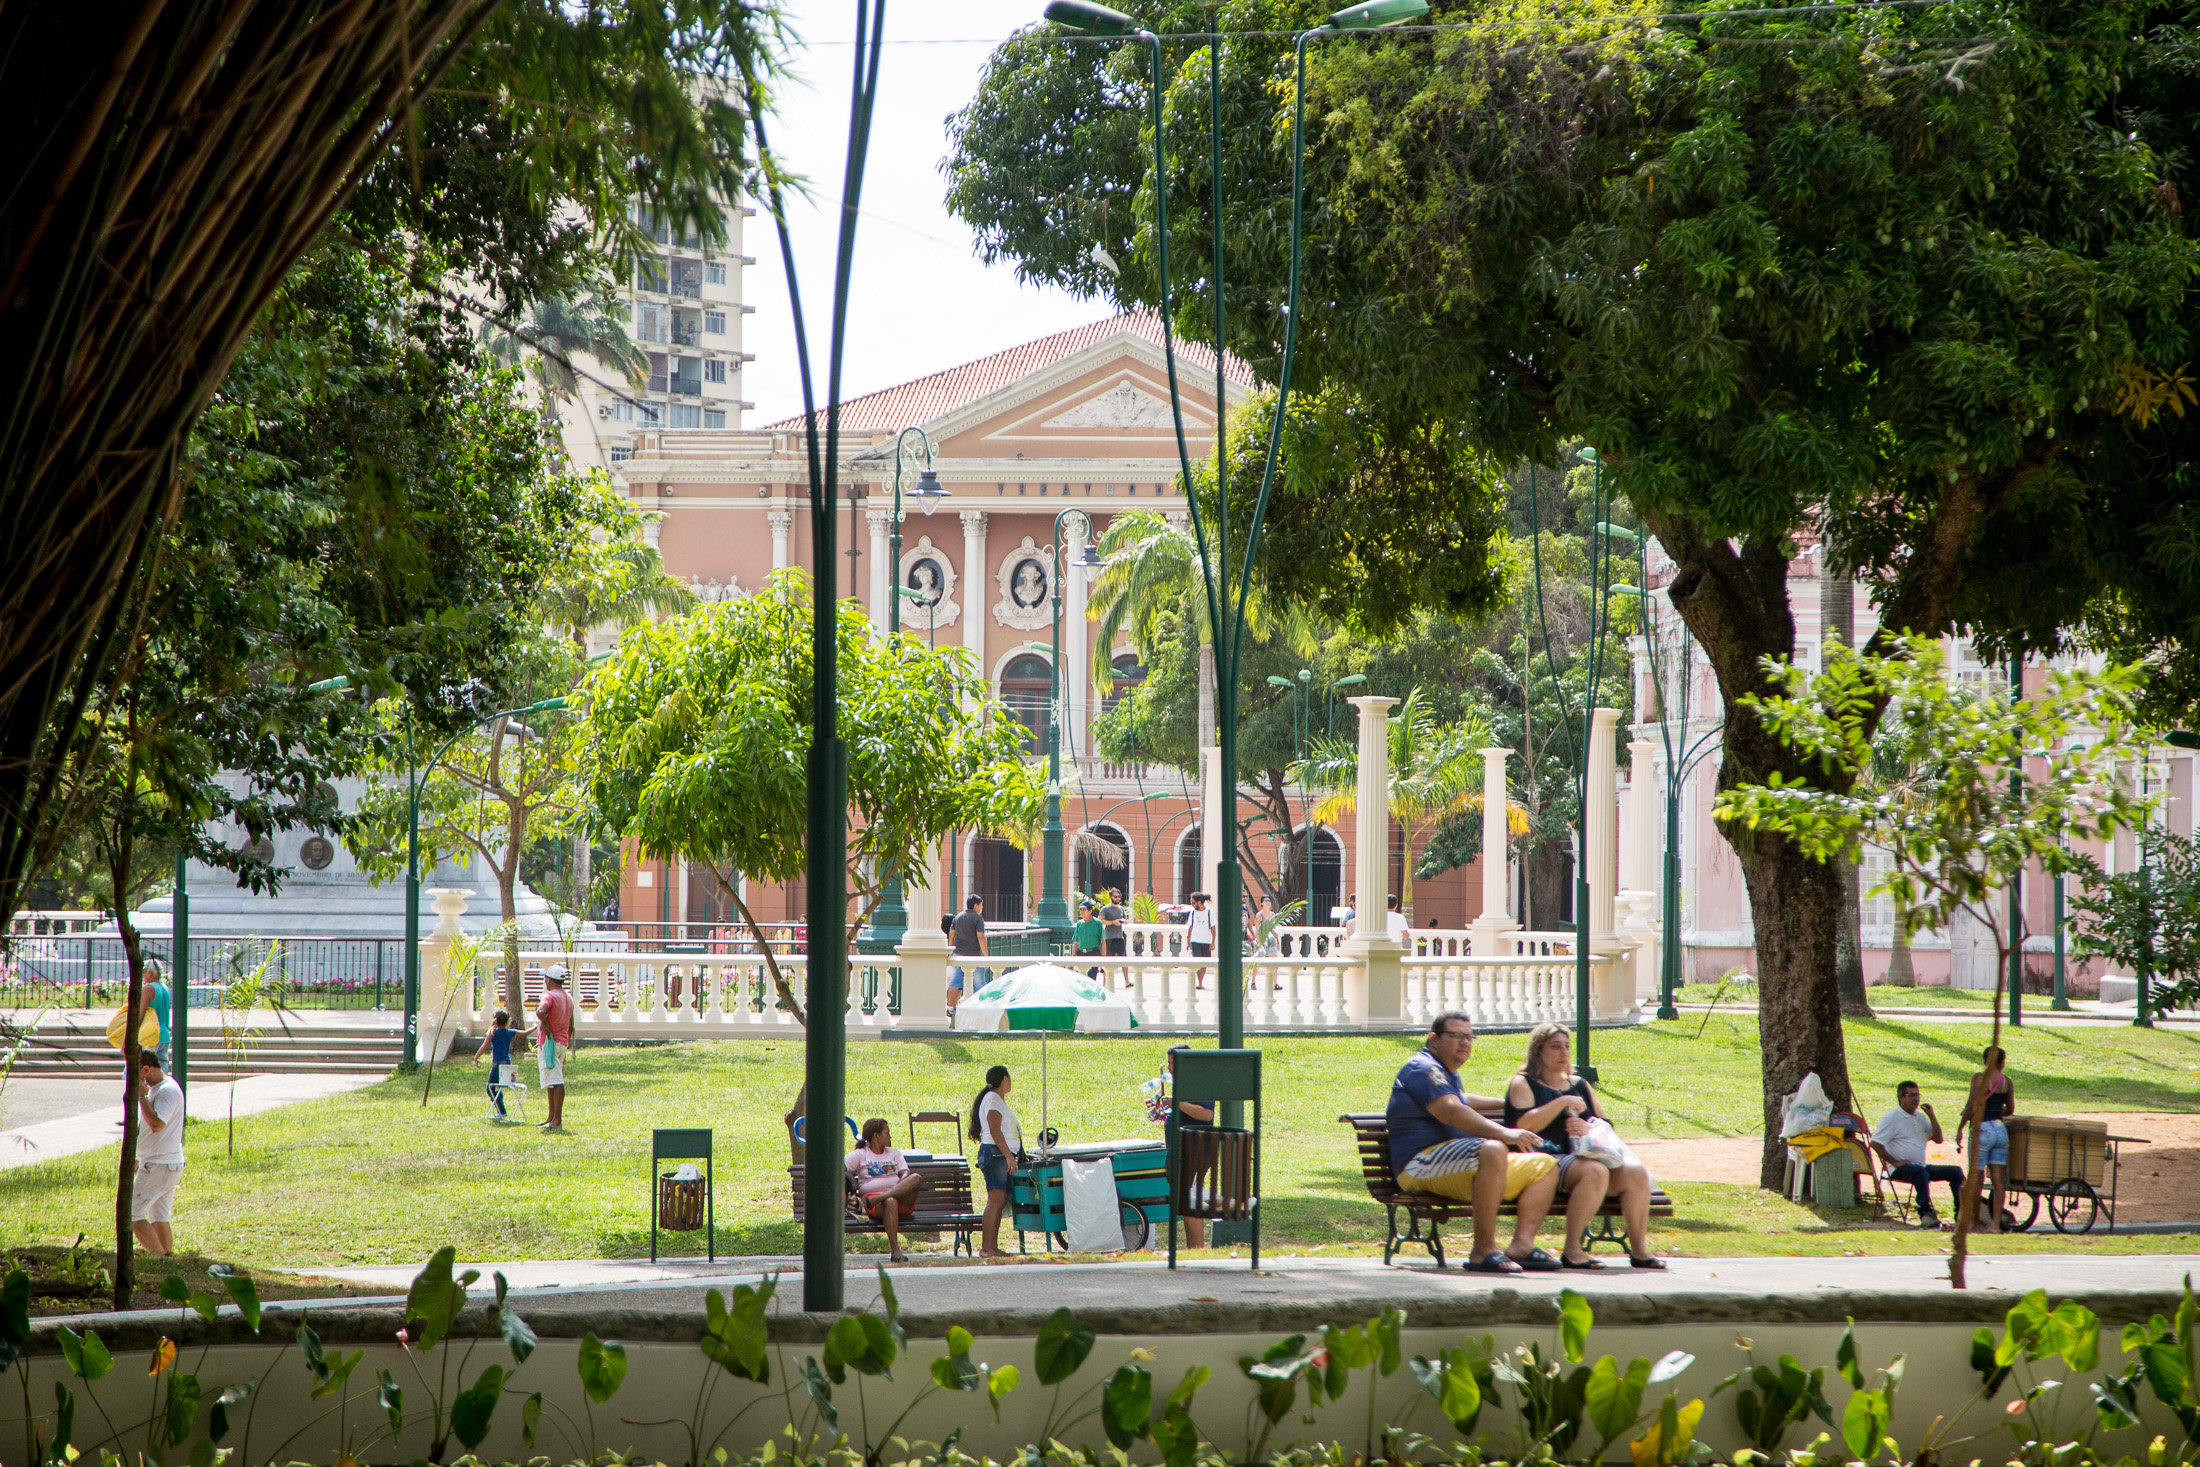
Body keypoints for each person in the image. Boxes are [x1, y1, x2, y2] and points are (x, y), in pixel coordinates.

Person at [1387, 1012, 1561, 1274]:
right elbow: (1451, 1110)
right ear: (1433, 1039)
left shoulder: (1445, 1072)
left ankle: (1522, 1246)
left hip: (1457, 1166)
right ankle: (1483, 1251)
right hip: (1419, 1164)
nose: (1464, 1042)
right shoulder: (1423, 1069)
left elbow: (1461, 1098)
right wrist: (1506, 1132)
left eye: (1469, 1037)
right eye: (1456, 1036)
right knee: (1491, 1149)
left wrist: (1511, 1105)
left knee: (1545, 1165)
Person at [1503, 1023, 1664, 1268]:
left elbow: (1604, 1122)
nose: (1564, 1053)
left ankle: (1640, 1249)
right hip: (1545, 1161)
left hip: (1586, 1154)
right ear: (1538, 1051)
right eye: (1555, 1047)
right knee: (1594, 1171)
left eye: (1567, 1047)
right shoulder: (1523, 1083)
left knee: (1636, 1174)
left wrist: (1588, 1127)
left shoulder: (1579, 1084)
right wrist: (1561, 1103)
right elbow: (1524, 1125)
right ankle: (1573, 1249)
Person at [1870, 1080, 1963, 1229]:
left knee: (1955, 1172)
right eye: (1911, 1095)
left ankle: (1961, 1213)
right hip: (1899, 1168)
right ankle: (1925, 1213)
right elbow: (1875, 1143)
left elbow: (1938, 1139)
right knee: (1919, 1172)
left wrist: (1932, 1116)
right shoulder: (1891, 1118)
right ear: (1901, 1097)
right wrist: (1895, 1162)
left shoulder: (1920, 1117)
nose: (1916, 1099)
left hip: (1920, 1166)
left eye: (1917, 1095)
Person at [847, 1118, 926, 1264]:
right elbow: (839, 1167)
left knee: (916, 1178)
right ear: (876, 1136)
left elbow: (905, 1173)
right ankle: (896, 1251)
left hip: (899, 1199)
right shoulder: (861, 1154)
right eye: (887, 1133)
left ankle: (884, 1196)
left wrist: (901, 1184)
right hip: (875, 1203)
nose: (890, 1136)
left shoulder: (894, 1153)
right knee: (890, 1201)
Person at [1956, 1044, 2017, 1230]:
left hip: (1981, 1130)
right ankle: (1995, 1224)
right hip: (2000, 1130)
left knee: (1976, 1179)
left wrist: (1960, 1127)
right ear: (2002, 1063)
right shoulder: (2007, 1082)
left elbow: (1972, 1105)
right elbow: (2010, 1109)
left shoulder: (1979, 1078)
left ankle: (1974, 1224)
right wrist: (1996, 1112)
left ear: (1984, 1060)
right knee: (1998, 1181)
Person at [132, 1049, 184, 1257]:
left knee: (131, 1213)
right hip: (161, 1164)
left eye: (136, 1073)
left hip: (159, 1166)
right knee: (159, 1217)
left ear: (146, 1069)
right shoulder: (157, 1089)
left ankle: (158, 1258)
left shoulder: (166, 1091)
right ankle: (167, 1261)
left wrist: (142, 1097)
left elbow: (156, 1124)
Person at [1162, 1044, 1213, 1247]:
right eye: (1169, 1064)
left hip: (1193, 1148)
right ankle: (1192, 1247)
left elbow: (1206, 1114)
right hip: (1180, 1148)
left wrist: (1176, 1103)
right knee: (1184, 1199)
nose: (1171, 1069)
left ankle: (1198, 1247)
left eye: (1174, 1064)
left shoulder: (1198, 1083)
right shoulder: (1182, 1083)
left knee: (1188, 1198)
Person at [968, 1065, 1022, 1257]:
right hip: (996, 1154)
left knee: (999, 1200)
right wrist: (1008, 1155)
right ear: (1004, 1079)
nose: (1011, 1081)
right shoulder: (993, 1099)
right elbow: (994, 1129)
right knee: (995, 1200)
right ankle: (987, 1247)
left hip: (999, 1154)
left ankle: (992, 1246)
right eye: (1009, 1077)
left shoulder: (996, 1099)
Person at [534, 965, 574, 1131]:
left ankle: (556, 1120)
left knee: (556, 1080)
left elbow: (540, 1011)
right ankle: (551, 1117)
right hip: (562, 1042)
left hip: (549, 1042)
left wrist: (545, 1024)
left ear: (549, 979)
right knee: (552, 1080)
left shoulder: (549, 996)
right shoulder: (568, 997)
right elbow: (571, 1024)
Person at [473, 1008, 524, 1121]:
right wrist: (537, 1025)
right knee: (498, 1087)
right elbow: (526, 1033)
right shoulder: (510, 1032)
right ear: (507, 1021)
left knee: (490, 1088)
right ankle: (501, 1111)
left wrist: (476, 1058)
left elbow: (483, 1047)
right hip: (508, 1064)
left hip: (497, 1065)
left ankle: (501, 1111)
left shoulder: (492, 1033)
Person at [948, 896, 989, 1012]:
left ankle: (950, 1007)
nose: (982, 907)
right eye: (981, 905)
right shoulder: (978, 918)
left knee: (956, 980)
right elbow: (981, 937)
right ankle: (981, 1008)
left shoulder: (958, 917)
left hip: (958, 954)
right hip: (973, 956)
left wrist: (951, 951)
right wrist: (986, 957)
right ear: (976, 905)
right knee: (979, 982)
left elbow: (951, 935)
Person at [143, 959, 172, 1071]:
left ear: (150, 973)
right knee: (161, 1070)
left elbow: (139, 1015)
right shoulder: (165, 988)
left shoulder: (149, 989)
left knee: (141, 1069)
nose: (143, 975)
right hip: (164, 1035)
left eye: (144, 971)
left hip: (150, 1036)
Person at [1100, 888, 1131, 987]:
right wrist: (1113, 922)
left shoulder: (1121, 909)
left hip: (1120, 937)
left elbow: (1126, 919)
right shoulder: (1105, 909)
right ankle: (1105, 981)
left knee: (1124, 960)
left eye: (1119, 897)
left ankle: (1127, 981)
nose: (1117, 898)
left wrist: (1124, 921)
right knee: (1108, 960)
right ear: (1110, 897)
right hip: (1109, 938)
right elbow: (1100, 920)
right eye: (1115, 896)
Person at [1185, 891, 1215, 989]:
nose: (1192, 905)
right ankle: (1200, 982)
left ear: (1199, 902)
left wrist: (1213, 942)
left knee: (1204, 963)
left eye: (1193, 903)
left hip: (1206, 941)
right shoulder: (1193, 913)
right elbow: (1190, 927)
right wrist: (1188, 941)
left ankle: (1201, 980)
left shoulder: (1209, 912)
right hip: (1195, 940)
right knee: (1197, 961)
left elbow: (1213, 928)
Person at [1073, 900, 1103, 980]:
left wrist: (1104, 958)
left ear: (1090, 911)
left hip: (1093, 953)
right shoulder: (1079, 924)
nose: (1082, 912)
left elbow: (1103, 942)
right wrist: (1072, 959)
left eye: (1084, 909)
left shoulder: (1098, 923)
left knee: (1091, 980)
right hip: (1081, 953)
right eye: (1081, 909)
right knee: (1080, 980)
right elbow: (1076, 942)